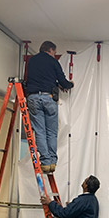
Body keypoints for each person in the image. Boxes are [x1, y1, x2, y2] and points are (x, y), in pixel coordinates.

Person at [26, 41, 74, 173]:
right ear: (51, 50)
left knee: (40, 131)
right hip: (48, 98)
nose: (54, 55)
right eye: (54, 52)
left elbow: (33, 78)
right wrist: (70, 85)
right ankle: (52, 162)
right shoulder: (53, 62)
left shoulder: (32, 61)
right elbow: (63, 81)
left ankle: (45, 162)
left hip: (33, 98)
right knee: (51, 132)